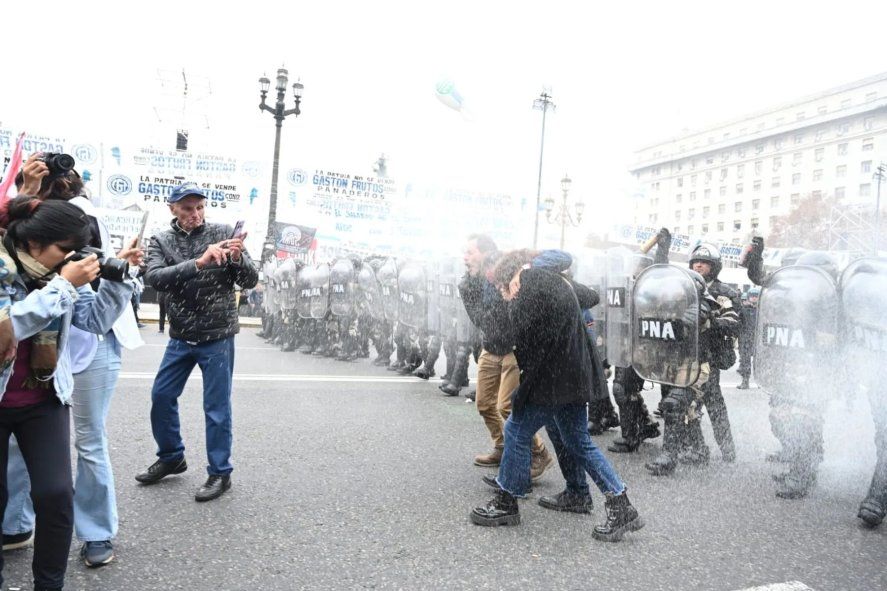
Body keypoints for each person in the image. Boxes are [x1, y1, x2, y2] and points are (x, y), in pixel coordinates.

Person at [5, 156, 145, 568]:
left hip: (45, 395)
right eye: (66, 249)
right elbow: (12, 324)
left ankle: (70, 561)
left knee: (58, 491)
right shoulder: (6, 267)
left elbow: (96, 320)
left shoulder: (61, 272)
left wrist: (119, 280)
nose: (74, 256)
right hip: (5, 396)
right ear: (34, 242)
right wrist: (64, 284)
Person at [470, 251, 643, 542]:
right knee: (577, 441)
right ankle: (615, 502)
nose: (507, 297)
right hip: (572, 374)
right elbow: (587, 297)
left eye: (504, 289)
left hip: (554, 378)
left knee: (515, 429)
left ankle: (506, 502)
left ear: (513, 277)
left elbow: (504, 337)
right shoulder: (553, 282)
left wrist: (527, 271)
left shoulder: (530, 281)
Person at [136, 182, 258, 502]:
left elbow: (250, 280)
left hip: (217, 334)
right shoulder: (161, 239)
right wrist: (199, 263)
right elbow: (155, 278)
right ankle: (171, 456)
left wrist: (237, 258)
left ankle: (220, 472)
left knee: (216, 407)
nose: (195, 214)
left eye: (200, 207)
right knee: (161, 396)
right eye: (188, 208)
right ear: (173, 208)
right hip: (181, 335)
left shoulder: (222, 231)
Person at [459, 236, 553, 479]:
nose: (465, 258)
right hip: (490, 347)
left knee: (506, 406)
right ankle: (501, 447)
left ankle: (539, 452)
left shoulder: (504, 271)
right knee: (483, 404)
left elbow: (515, 309)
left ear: (485, 253)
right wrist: (471, 287)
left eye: (470, 253)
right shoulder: (469, 283)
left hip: (512, 348)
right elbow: (479, 318)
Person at [737, 287, 759, 390]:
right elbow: (737, 323)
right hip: (745, 338)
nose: (754, 298)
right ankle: (745, 381)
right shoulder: (743, 310)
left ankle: (761, 381)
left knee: (760, 361)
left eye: (756, 296)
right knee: (745, 361)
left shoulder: (762, 310)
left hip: (757, 339)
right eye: (752, 296)